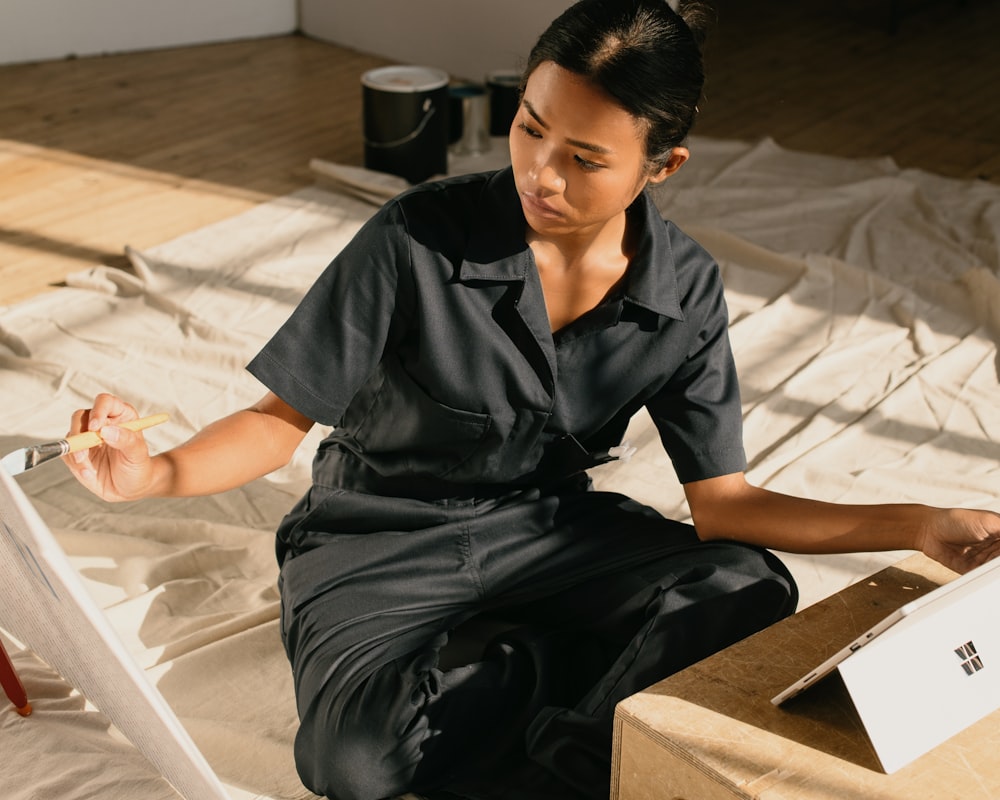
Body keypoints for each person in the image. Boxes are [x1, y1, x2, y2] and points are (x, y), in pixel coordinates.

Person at [64, 1, 1000, 799]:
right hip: (376, 539)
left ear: (661, 167)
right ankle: (561, 689)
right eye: (529, 127)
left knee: (746, 586)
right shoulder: (416, 238)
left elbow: (727, 507)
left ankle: (569, 758)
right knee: (352, 758)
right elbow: (277, 425)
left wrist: (917, 524)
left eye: (586, 158)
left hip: (548, 534)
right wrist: (156, 474)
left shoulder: (686, 291)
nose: (540, 173)